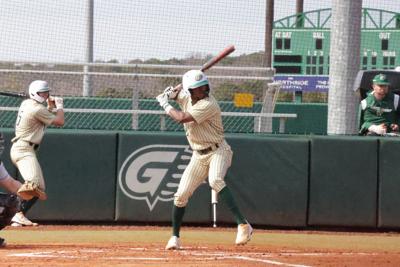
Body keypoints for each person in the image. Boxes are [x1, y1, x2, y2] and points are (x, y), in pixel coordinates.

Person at [156, 70, 253, 250]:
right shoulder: (187, 96)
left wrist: (165, 103)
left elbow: (182, 118)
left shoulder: (209, 104)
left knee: (215, 180)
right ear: (190, 90)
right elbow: (179, 94)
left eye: (203, 87)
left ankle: (243, 225)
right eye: (197, 89)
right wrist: (171, 92)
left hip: (218, 151)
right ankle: (175, 237)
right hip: (198, 155)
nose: (202, 91)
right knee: (181, 195)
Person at [9, 80, 65, 226]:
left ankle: (18, 216)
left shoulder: (27, 104)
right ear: (35, 93)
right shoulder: (35, 109)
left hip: (25, 149)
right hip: (23, 149)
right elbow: (59, 121)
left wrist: (50, 106)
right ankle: (13, 211)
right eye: (43, 93)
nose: (46, 95)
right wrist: (59, 106)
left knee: (39, 188)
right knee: (33, 184)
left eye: (47, 92)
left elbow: (46, 115)